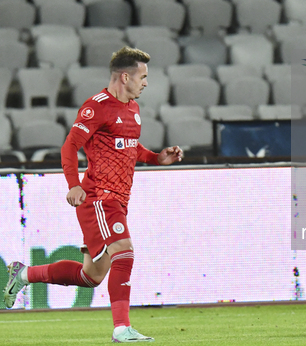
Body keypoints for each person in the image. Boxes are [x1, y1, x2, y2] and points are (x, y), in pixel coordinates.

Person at [3, 47, 184, 343]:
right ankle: (121, 328)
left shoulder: (133, 110)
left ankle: (22, 275)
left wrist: (156, 157)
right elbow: (70, 146)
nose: (146, 83)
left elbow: (129, 147)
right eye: (143, 76)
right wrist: (73, 184)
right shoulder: (96, 106)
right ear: (125, 76)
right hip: (99, 197)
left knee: (92, 276)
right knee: (125, 253)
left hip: (119, 200)